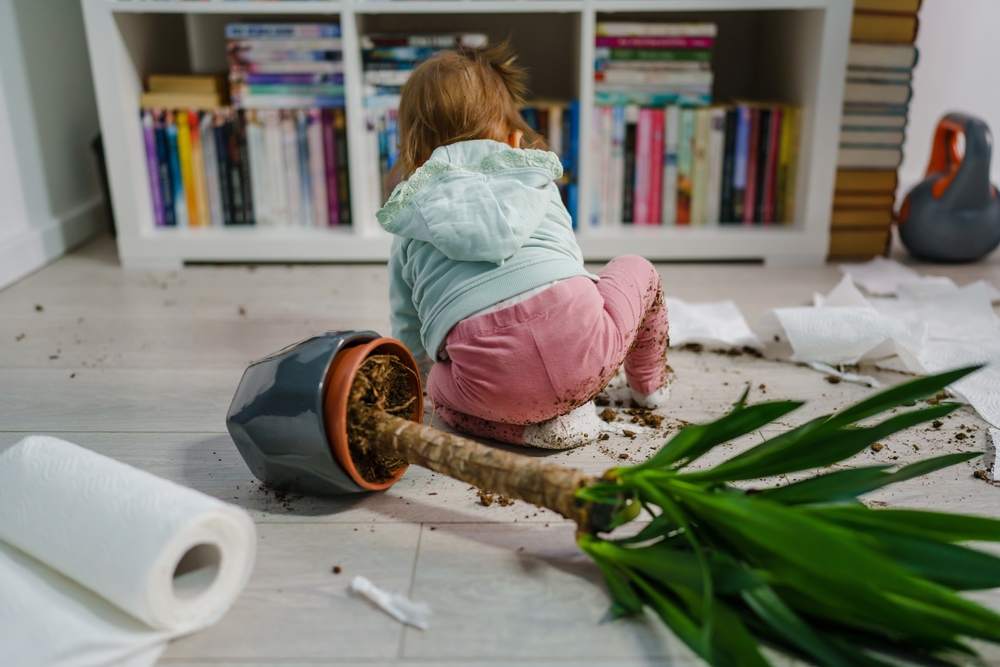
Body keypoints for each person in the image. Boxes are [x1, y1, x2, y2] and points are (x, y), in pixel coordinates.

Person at [377, 40, 671, 449]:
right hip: (588, 354)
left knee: (440, 394)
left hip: (490, 388)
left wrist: (426, 376)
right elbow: (567, 260)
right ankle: (649, 387)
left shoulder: (410, 216)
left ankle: (529, 431)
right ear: (514, 139)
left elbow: (408, 324)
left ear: (416, 155)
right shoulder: (535, 179)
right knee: (637, 268)